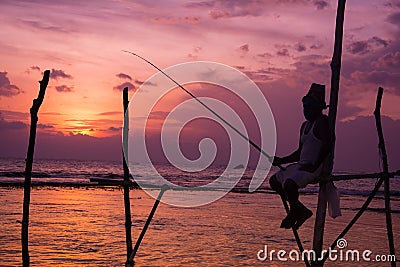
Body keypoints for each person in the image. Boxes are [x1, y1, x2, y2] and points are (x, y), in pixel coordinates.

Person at [269, 83, 331, 230]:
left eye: (310, 107)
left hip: (314, 167)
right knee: (275, 181)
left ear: (318, 108)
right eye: (305, 107)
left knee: (289, 184)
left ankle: (295, 211)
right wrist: (281, 160)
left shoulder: (321, 122)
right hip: (302, 165)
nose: (306, 111)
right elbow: (299, 152)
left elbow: (327, 145)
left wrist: (315, 165)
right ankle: (299, 210)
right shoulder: (304, 126)